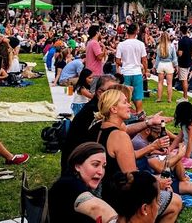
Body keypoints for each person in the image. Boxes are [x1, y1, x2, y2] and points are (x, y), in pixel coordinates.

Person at [93, 89, 183, 222]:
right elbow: (133, 178)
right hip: (117, 197)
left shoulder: (102, 126)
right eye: (125, 102)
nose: (130, 105)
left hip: (105, 189)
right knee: (176, 201)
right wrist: (157, 182)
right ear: (113, 109)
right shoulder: (119, 136)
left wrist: (149, 122)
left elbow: (127, 132)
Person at [49, 142, 118, 223]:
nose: (101, 172)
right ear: (78, 166)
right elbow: (95, 208)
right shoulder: (68, 184)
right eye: (95, 164)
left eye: (103, 166)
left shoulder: (98, 187)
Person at [116, 23, 148, 115]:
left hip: (125, 72)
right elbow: (144, 60)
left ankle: (125, 116)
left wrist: (125, 64)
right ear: (136, 32)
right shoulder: (140, 44)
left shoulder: (121, 44)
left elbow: (117, 61)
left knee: (124, 97)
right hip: (137, 72)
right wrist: (145, 71)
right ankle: (139, 114)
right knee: (138, 97)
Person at [154, 31, 177, 103]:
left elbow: (157, 58)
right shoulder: (172, 46)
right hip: (169, 64)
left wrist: (155, 66)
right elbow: (174, 58)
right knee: (169, 83)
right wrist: (176, 66)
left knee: (160, 82)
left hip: (161, 64)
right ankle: (169, 99)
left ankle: (159, 98)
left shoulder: (159, 46)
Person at [176, 24, 192, 101]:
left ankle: (185, 97)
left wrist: (176, 52)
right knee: (185, 79)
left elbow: (180, 53)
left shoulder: (181, 41)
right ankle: (185, 96)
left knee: (184, 80)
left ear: (181, 31)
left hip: (182, 62)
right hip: (188, 61)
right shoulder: (190, 41)